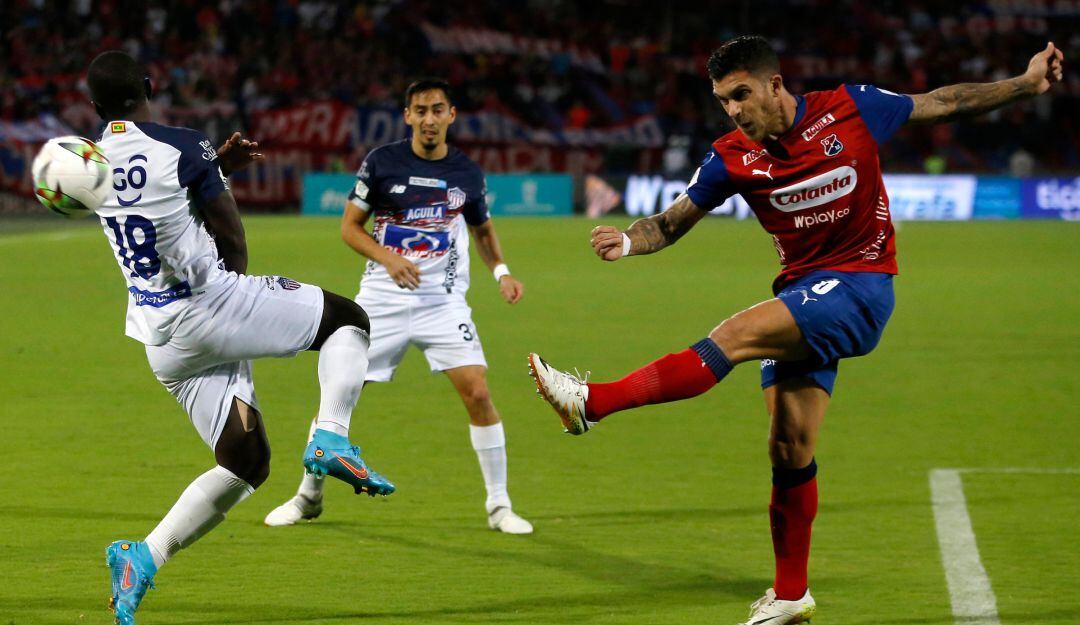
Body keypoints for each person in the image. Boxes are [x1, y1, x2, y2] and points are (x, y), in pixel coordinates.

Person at [528, 36, 1064, 625]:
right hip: (803, 297)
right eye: (723, 100)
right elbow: (671, 222)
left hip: (861, 287)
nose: (733, 110)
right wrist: (629, 241)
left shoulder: (851, 109)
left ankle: (592, 402)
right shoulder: (731, 156)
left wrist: (1025, 84)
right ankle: (790, 595)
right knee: (789, 446)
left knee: (733, 335)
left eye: (741, 95)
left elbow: (945, 101)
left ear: (775, 85)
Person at [86, 51, 396, 625]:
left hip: (162, 341)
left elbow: (154, 206)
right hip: (209, 307)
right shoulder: (182, 146)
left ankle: (142, 557)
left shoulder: (92, 165)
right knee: (347, 320)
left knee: (245, 462)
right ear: (149, 86)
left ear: (96, 106)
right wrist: (237, 287)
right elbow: (230, 237)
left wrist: (214, 169)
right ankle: (331, 437)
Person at [265, 79, 533, 534]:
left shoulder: (467, 173)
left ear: (452, 115)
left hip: (442, 303)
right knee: (340, 393)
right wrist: (388, 259)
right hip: (381, 301)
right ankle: (308, 497)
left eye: (438, 110)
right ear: (407, 115)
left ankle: (499, 506)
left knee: (478, 392)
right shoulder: (382, 163)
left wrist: (502, 272)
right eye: (420, 110)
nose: (429, 119)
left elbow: (483, 230)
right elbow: (350, 227)